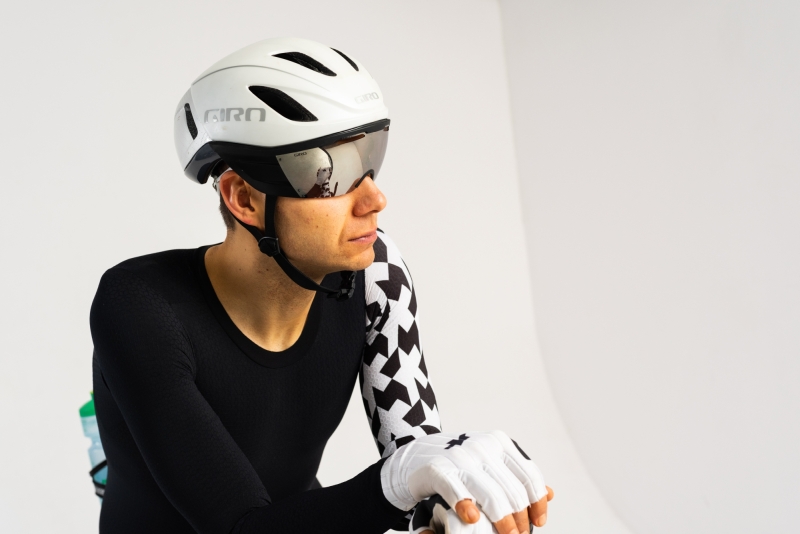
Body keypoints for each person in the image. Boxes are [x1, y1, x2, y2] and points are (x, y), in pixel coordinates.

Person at [90, 37, 553, 534]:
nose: (374, 199)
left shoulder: (374, 271)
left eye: (370, 157)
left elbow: (416, 456)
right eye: (328, 174)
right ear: (243, 198)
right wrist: (399, 481)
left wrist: (449, 507)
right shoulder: (137, 306)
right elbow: (244, 527)